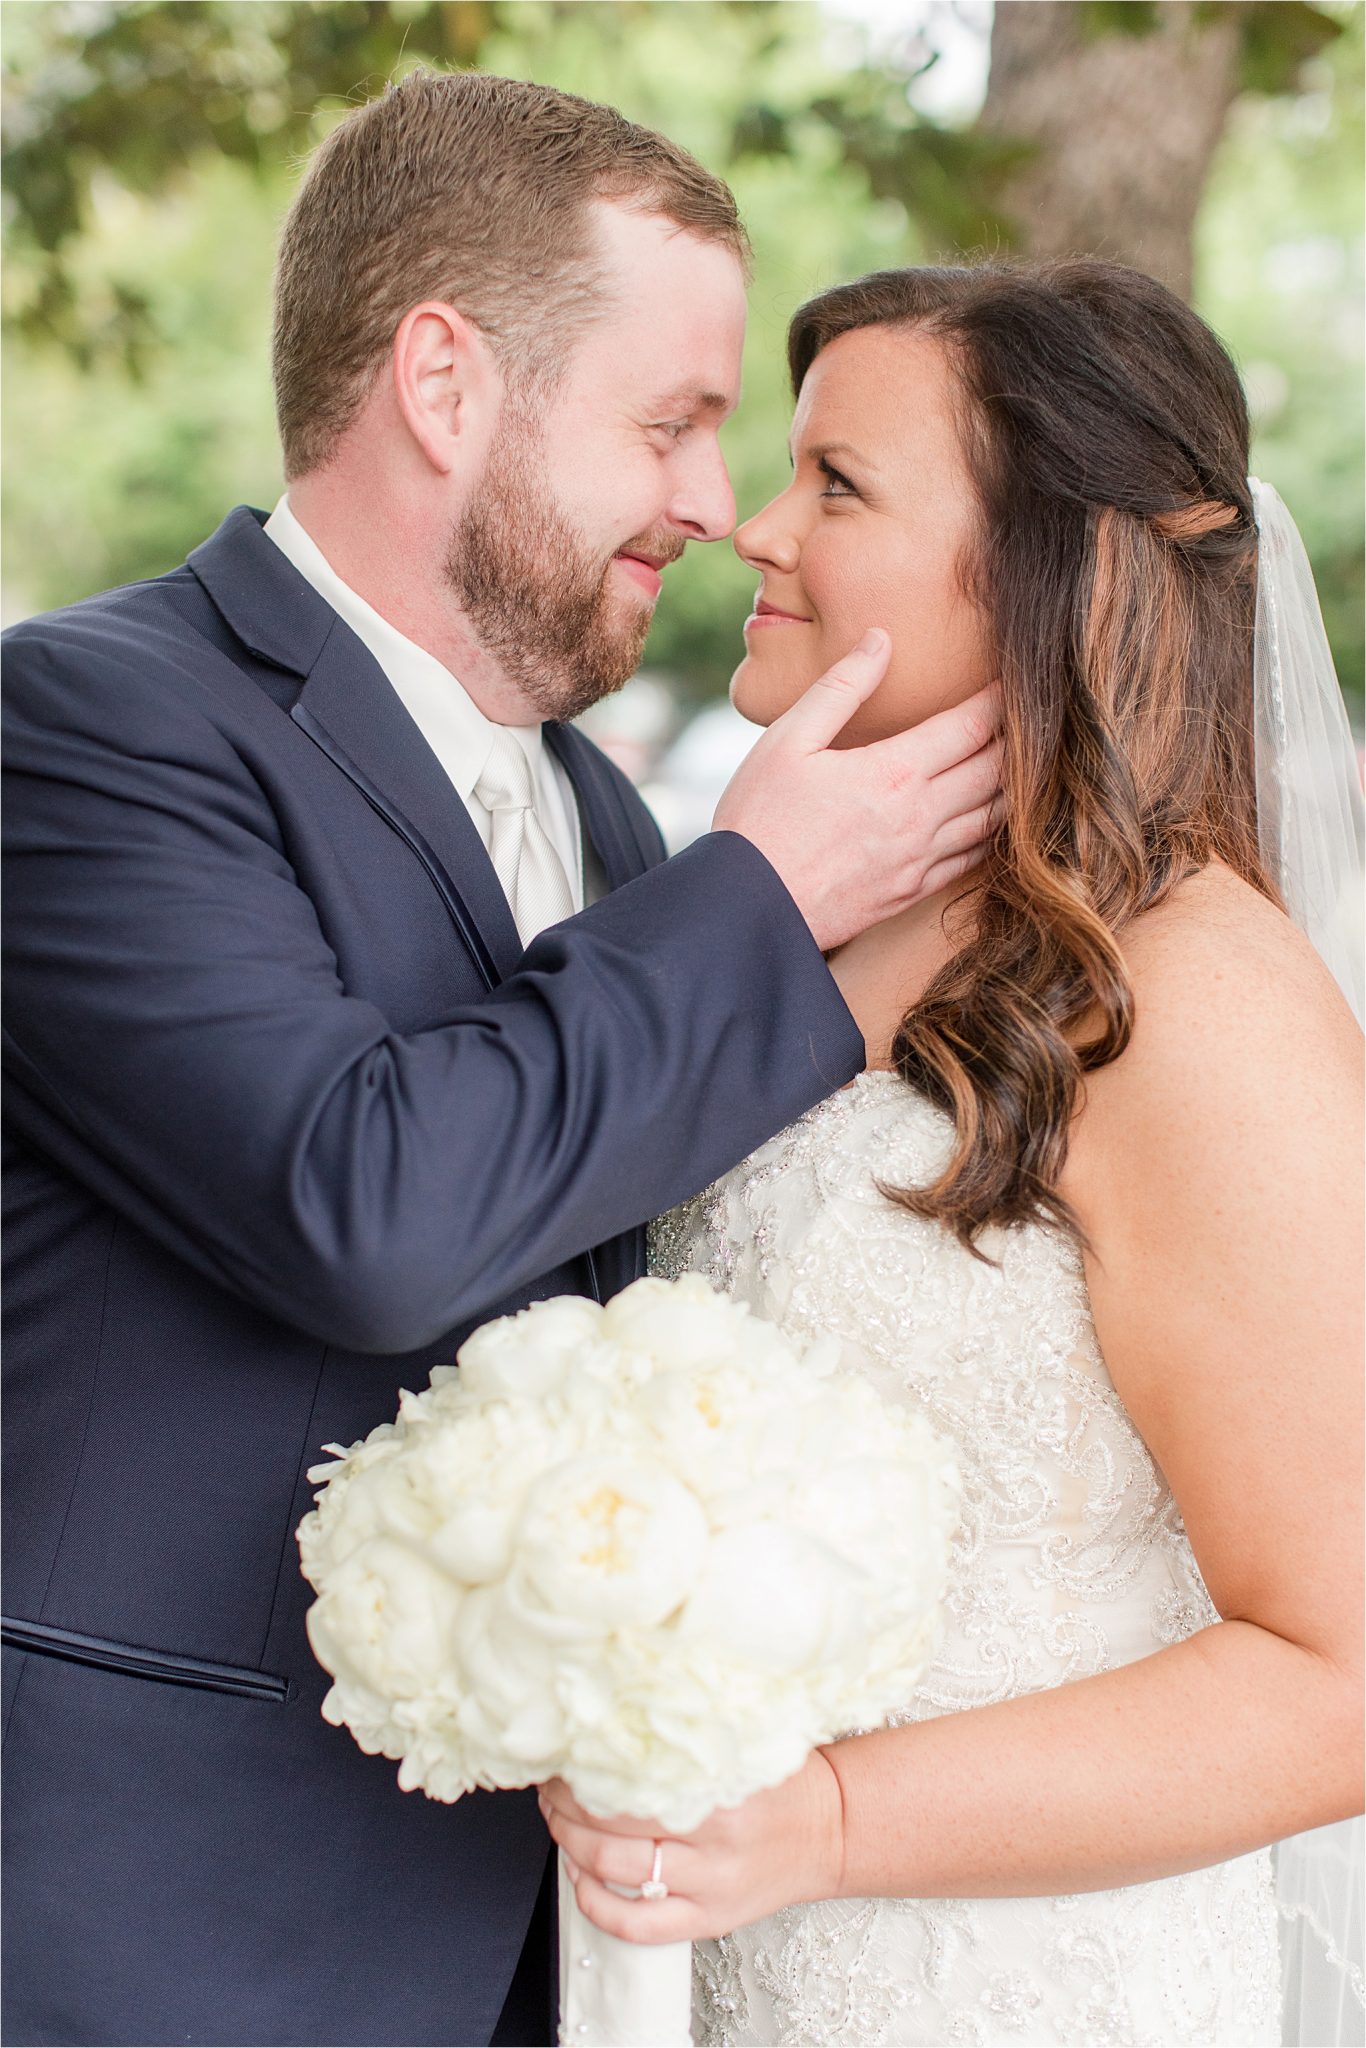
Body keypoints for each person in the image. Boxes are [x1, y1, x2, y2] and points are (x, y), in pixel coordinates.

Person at [0, 77, 1005, 2048]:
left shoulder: (611, 833)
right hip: (172, 1937)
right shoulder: (82, 731)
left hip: (556, 1950)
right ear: (444, 385)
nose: (714, 508)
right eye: (668, 422)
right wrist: (760, 892)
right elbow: (360, 1208)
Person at [540, 260, 1366, 2046]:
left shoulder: (1201, 1002)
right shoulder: (795, 944)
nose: (752, 526)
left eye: (837, 484)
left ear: (1051, 561)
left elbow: (1344, 1679)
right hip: (709, 1971)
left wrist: (829, 1824)